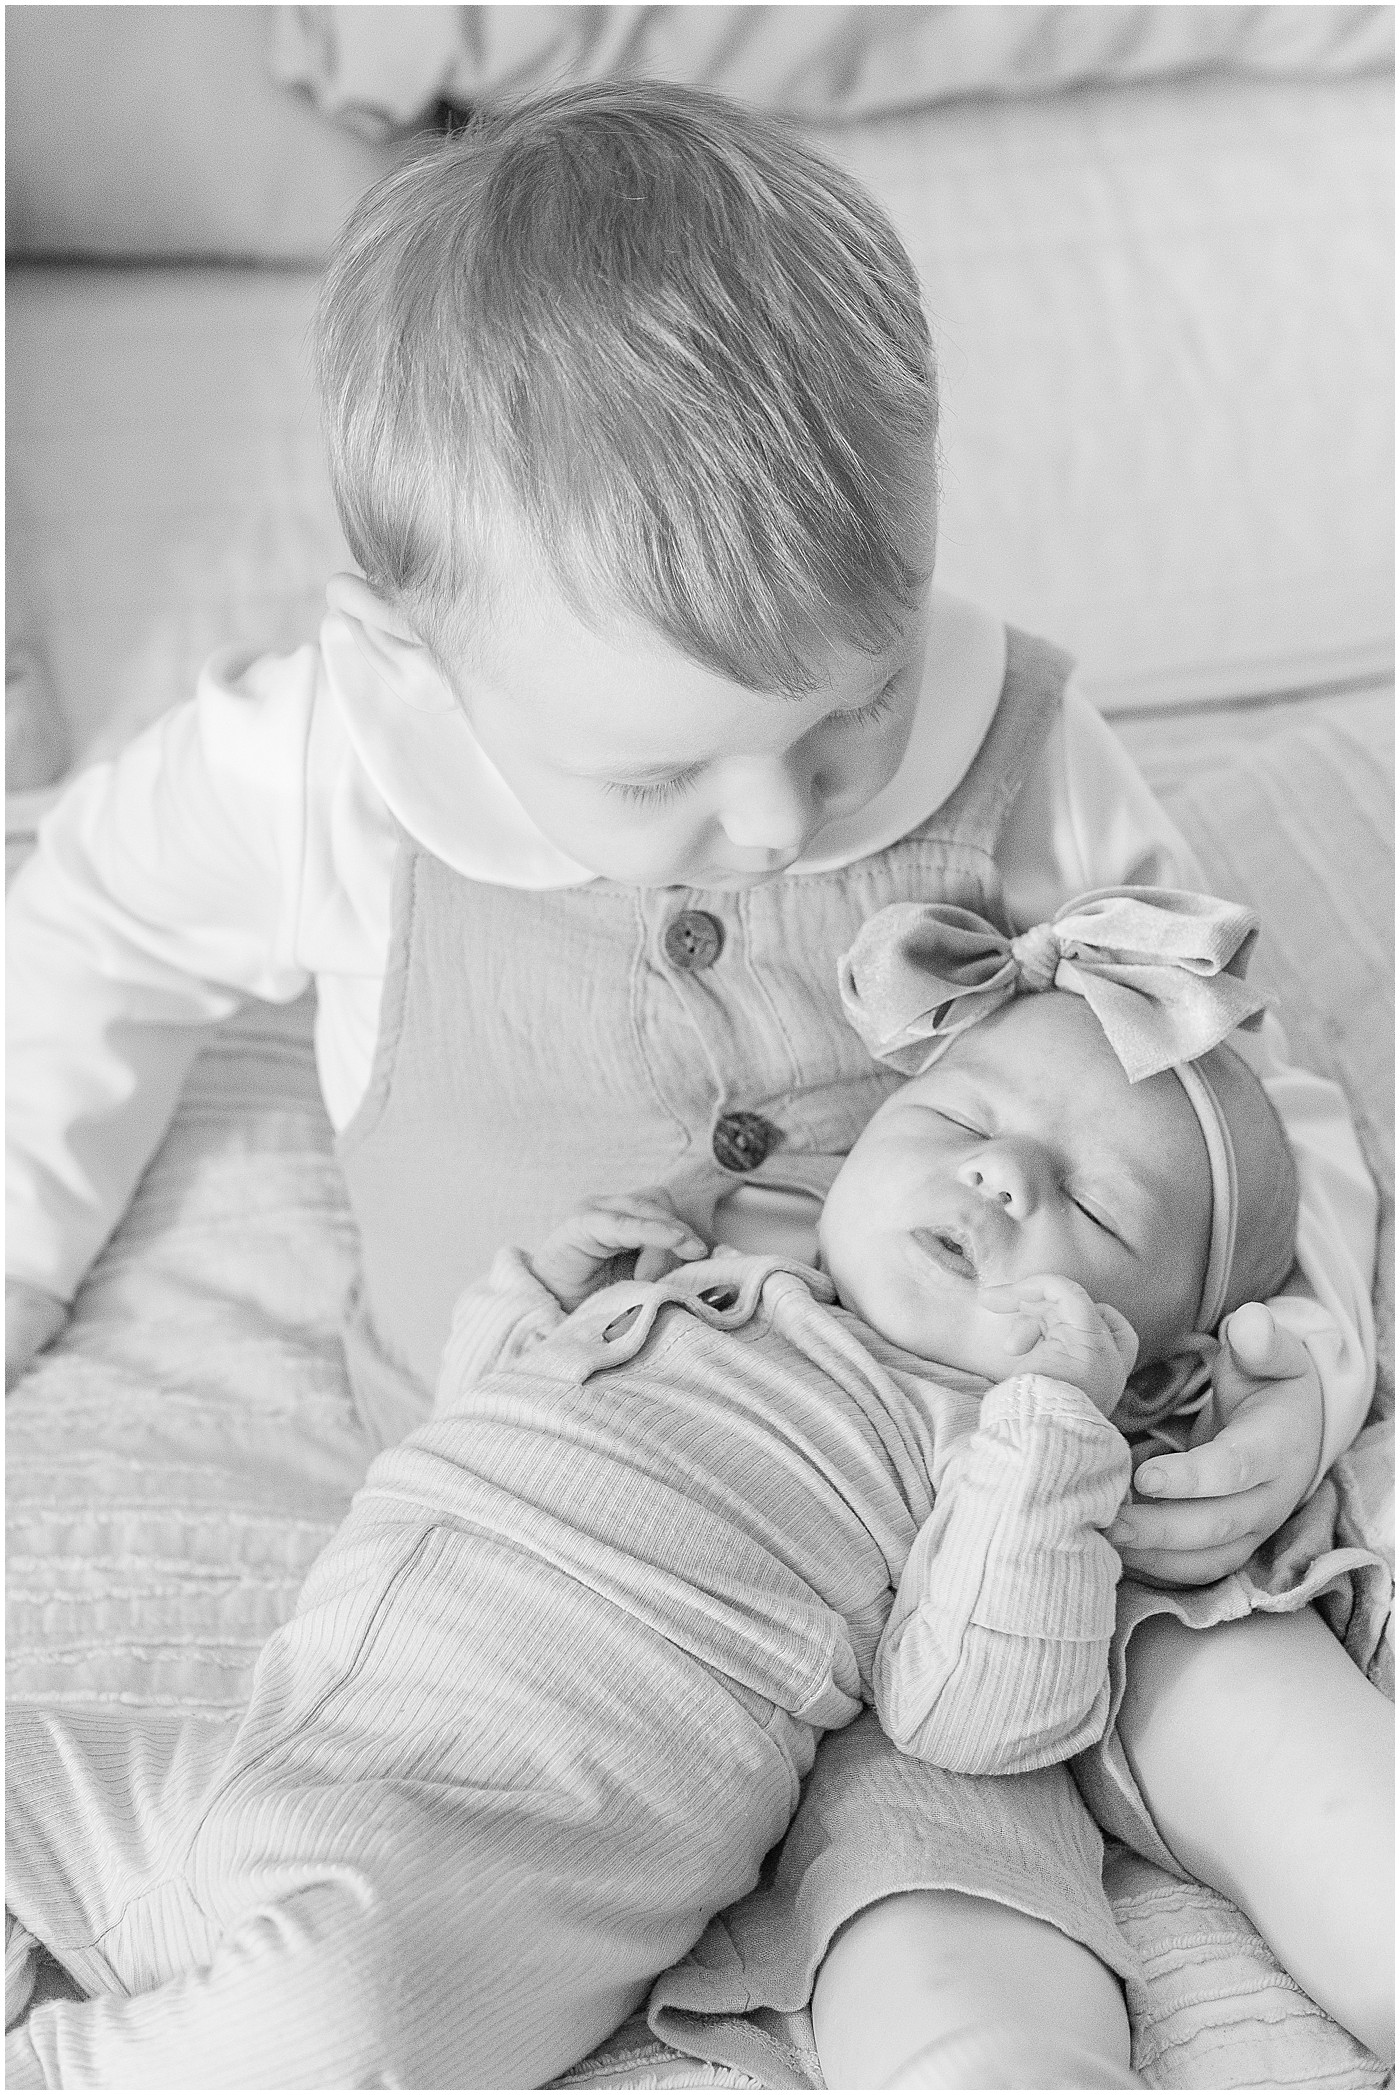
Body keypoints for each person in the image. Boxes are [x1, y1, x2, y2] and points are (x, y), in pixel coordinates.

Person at [5, 80, 1380, 2090]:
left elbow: (1244, 1085)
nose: (774, 817)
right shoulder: (339, 764)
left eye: (850, 719)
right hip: (596, 1582)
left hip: (1042, 1478)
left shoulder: (1023, 746)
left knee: (1298, 1783)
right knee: (859, 1989)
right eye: (658, 776)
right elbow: (86, 929)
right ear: (419, 662)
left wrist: (1302, 1351)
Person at [8, 892, 1387, 2089]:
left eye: (1091, 1209)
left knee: (339, 2023)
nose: (1001, 1172)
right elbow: (470, 1454)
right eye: (961, 1116)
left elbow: (980, 1714)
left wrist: (1050, 1431)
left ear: (1155, 1376)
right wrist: (533, 1307)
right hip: (267, 1738)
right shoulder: (725, 1291)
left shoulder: (994, 1451)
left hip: (484, 1859)